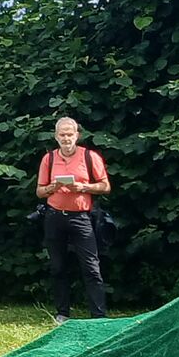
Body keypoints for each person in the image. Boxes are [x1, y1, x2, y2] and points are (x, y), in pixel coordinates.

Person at [37, 117, 110, 323]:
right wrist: (52, 187)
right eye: (62, 134)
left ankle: (98, 316)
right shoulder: (49, 159)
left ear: (77, 135)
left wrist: (83, 187)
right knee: (58, 267)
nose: (66, 138)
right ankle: (62, 313)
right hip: (54, 216)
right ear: (56, 136)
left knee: (91, 267)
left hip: (81, 217)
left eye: (70, 134)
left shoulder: (89, 156)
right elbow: (40, 191)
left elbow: (105, 186)